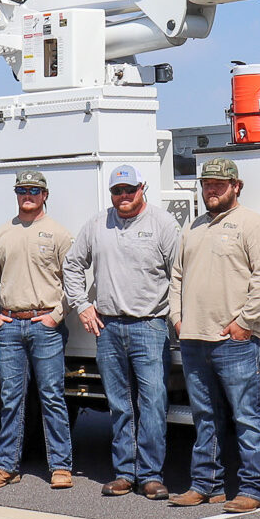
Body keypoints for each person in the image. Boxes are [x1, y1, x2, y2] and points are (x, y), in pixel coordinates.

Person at [63, 164, 181, 499]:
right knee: (119, 404)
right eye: (117, 191)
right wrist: (82, 305)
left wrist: (178, 317)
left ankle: (151, 475)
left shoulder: (162, 224)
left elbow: (181, 274)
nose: (123, 196)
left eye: (129, 189)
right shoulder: (98, 224)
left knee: (153, 403)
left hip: (149, 326)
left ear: (142, 188)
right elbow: (72, 264)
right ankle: (124, 473)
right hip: (109, 327)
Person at [168, 157, 260, 513]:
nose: (211, 190)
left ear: (236, 186)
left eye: (218, 184)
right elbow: (177, 277)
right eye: (206, 184)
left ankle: (253, 488)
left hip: (235, 343)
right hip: (195, 340)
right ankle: (206, 485)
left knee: (246, 417)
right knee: (204, 418)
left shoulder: (252, 225)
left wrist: (245, 322)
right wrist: (178, 319)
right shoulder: (193, 228)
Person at [0, 170, 77, 490]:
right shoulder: (1, 234)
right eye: (22, 190)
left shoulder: (59, 235)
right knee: (11, 398)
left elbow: (75, 282)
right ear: (16, 194)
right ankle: (7, 466)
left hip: (45, 325)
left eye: (34, 190)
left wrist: (56, 316)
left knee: (51, 397)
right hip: (9, 327)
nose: (28, 195)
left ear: (45, 194)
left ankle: (60, 466)